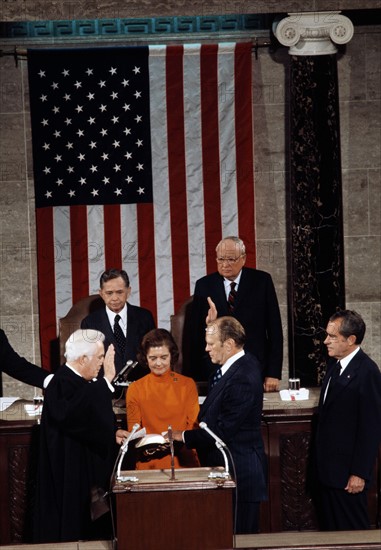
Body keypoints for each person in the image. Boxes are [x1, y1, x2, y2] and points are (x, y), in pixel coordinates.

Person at [171, 316, 267, 534]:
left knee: (238, 539)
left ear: (229, 344)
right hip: (230, 470)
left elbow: (221, 432)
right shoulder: (241, 362)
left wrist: (183, 437)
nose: (206, 349)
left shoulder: (243, 376)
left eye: (211, 344)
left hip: (239, 472)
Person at [33, 329, 129, 543]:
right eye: (100, 357)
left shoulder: (81, 382)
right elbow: (73, 416)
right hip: (68, 474)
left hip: (82, 471)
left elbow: (88, 419)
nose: (102, 362)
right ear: (83, 358)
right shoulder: (61, 382)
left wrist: (112, 432)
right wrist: (107, 381)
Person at [315, 310, 381, 531]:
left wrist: (359, 473)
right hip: (327, 475)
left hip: (348, 477)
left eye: (332, 336)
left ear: (351, 339)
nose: (326, 341)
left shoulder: (367, 371)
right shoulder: (335, 367)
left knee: (352, 534)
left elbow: (370, 428)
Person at [190, 236, 283, 392]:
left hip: (254, 367)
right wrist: (193, 376)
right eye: (221, 259)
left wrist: (273, 373)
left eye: (231, 259)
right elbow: (194, 335)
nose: (225, 264)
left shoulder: (262, 281)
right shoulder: (204, 285)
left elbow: (275, 331)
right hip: (216, 368)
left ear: (243, 259)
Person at [126, 328, 200, 470]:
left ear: (172, 356)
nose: (158, 363)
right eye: (153, 358)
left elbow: (193, 426)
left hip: (184, 460)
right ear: (145, 358)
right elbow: (134, 431)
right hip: (149, 461)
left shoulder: (187, 384)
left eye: (164, 357)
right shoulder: (135, 388)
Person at [81, 268, 155, 380]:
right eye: (109, 293)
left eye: (119, 292)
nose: (115, 298)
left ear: (128, 291)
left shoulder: (144, 317)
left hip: (141, 386)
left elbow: (153, 354)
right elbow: (87, 364)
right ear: (101, 294)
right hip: (105, 390)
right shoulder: (89, 323)